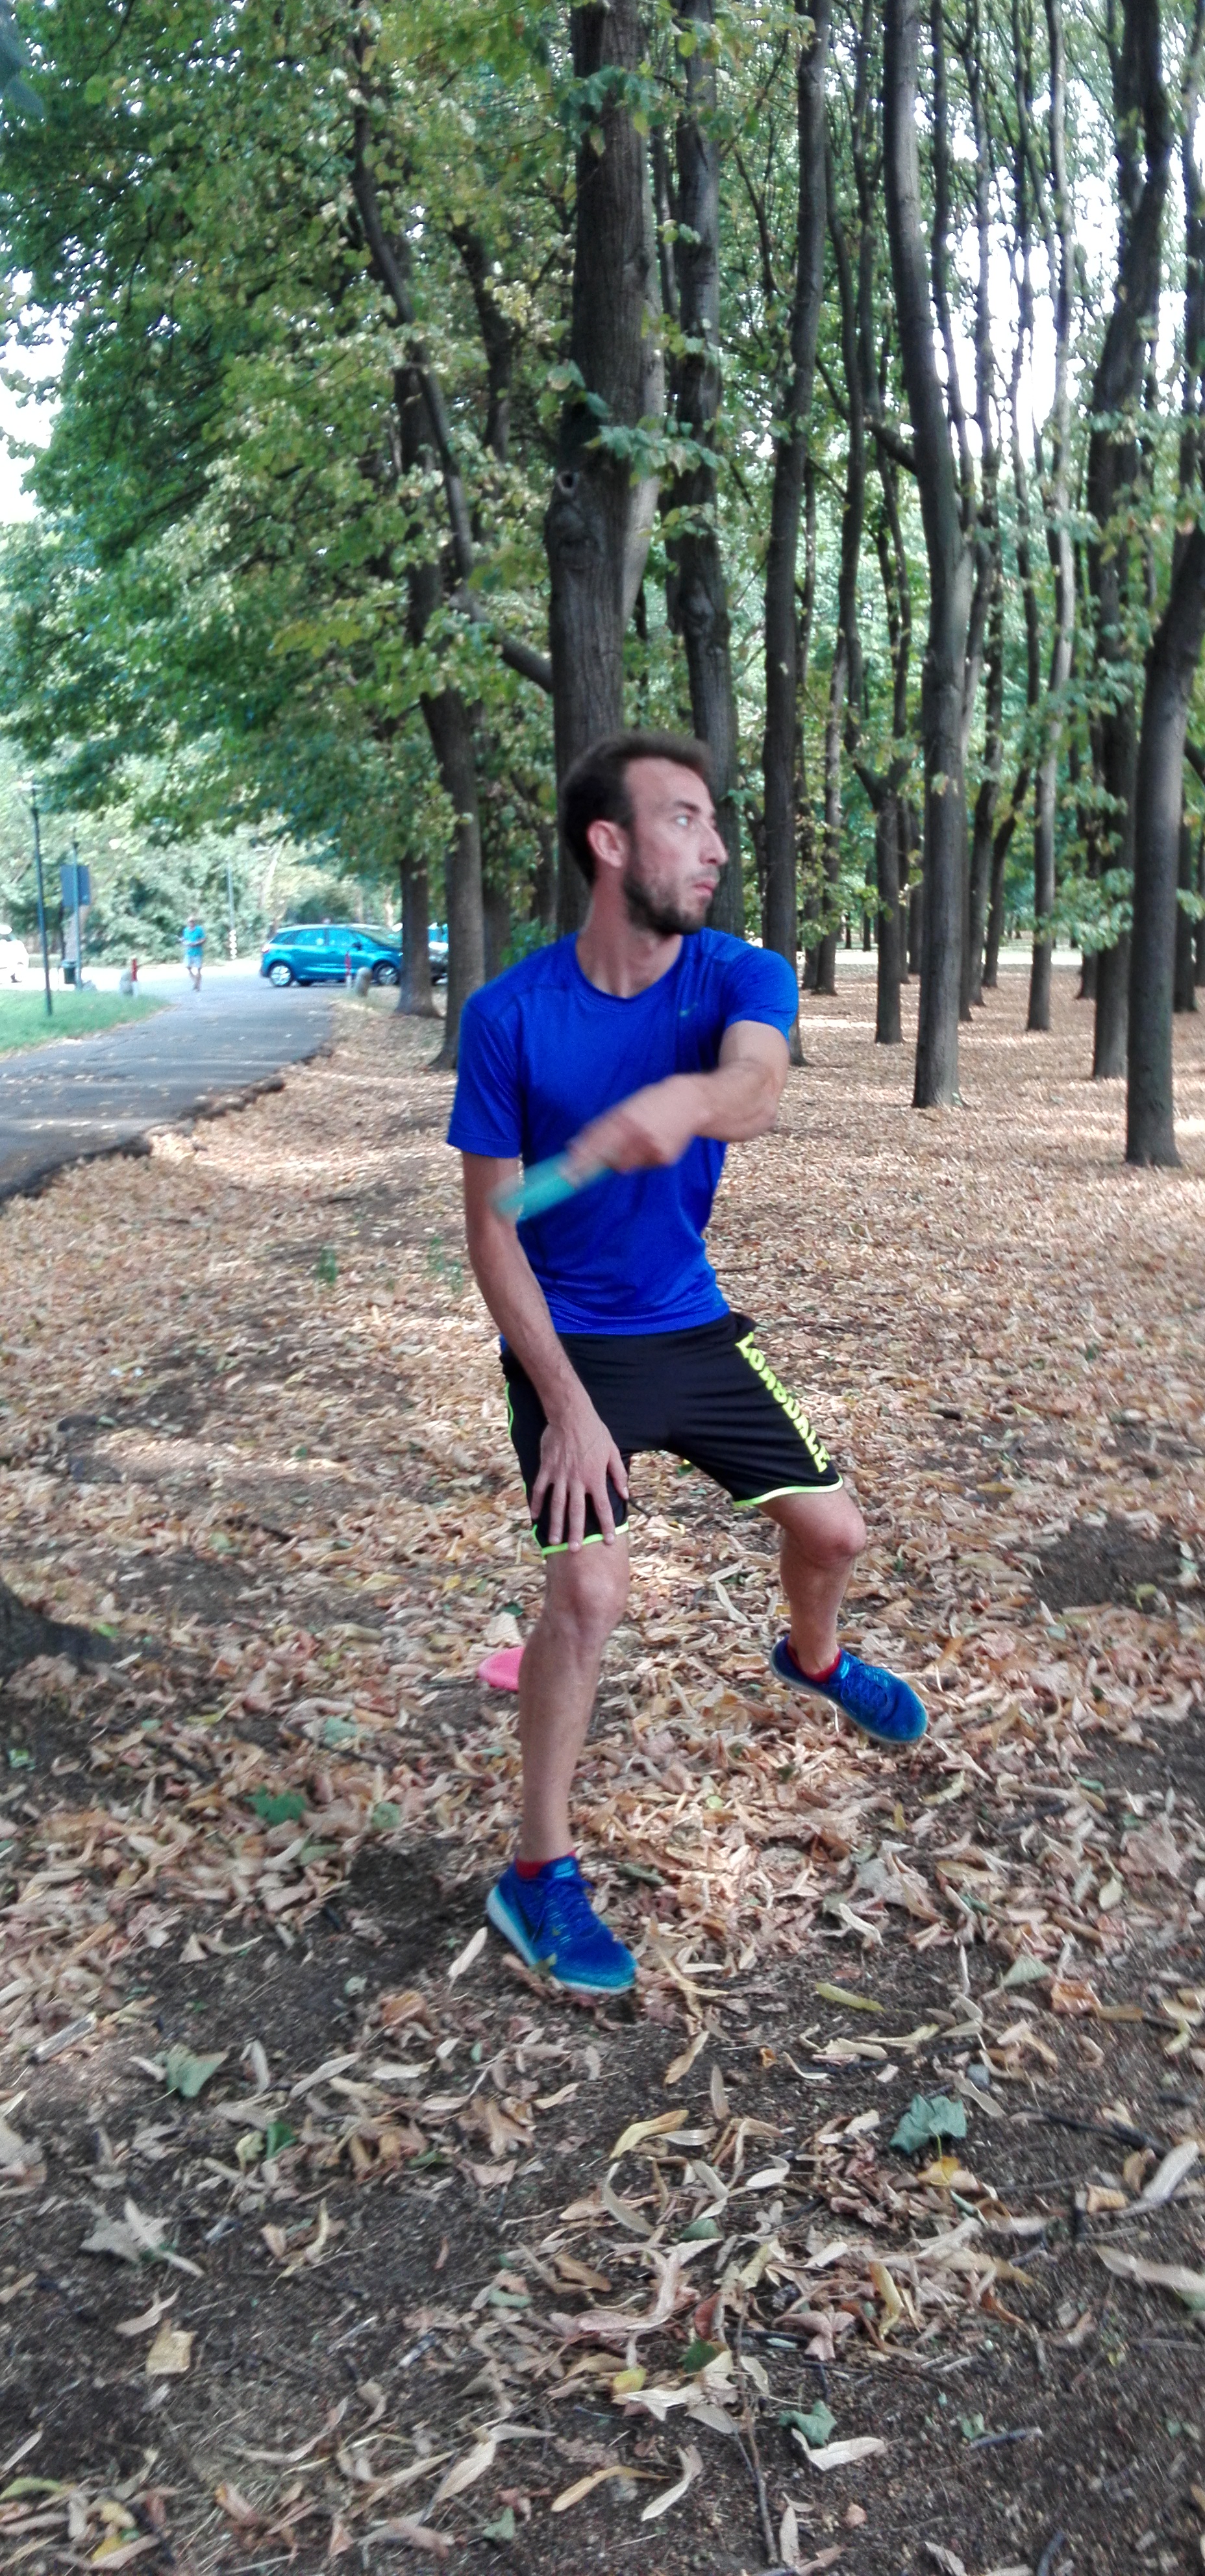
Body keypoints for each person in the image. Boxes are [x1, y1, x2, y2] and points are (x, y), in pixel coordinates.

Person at [449, 729, 927, 1997]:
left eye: (715, 822)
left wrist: (680, 1106)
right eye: (683, 820)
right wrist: (563, 1405)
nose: (715, 848)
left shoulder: (736, 971)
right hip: (568, 1345)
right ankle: (536, 1872)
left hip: (690, 1323)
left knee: (835, 1536)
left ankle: (812, 1659)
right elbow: (492, 1234)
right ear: (609, 843)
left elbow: (757, 1087)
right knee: (589, 1596)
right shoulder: (508, 1018)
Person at [182, 914, 206, 991]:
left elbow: (204, 939)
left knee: (198, 969)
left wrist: (196, 943)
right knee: (188, 967)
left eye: (192, 921)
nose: (191, 923)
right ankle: (195, 981)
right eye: (190, 922)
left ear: (195, 922)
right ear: (188, 923)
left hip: (197, 952)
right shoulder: (186, 930)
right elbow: (184, 940)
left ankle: (198, 985)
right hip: (189, 952)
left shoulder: (199, 929)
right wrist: (185, 943)